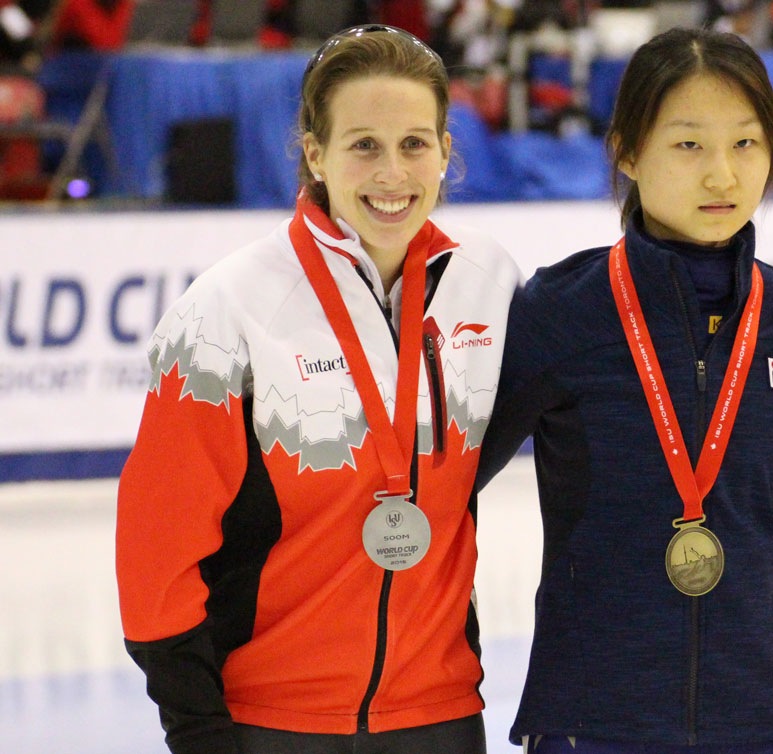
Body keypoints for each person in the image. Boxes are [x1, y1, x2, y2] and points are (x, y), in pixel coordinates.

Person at [115, 25, 519, 754]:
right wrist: (200, 731)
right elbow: (155, 556)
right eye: (363, 144)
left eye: (414, 144)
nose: (392, 173)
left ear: (446, 152)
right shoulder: (226, 309)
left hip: (442, 717)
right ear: (315, 155)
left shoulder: (490, 288)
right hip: (272, 722)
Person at [475, 26, 773, 754]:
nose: (723, 177)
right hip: (592, 723)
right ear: (628, 152)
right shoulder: (563, 311)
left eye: (746, 143)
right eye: (689, 145)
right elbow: (449, 483)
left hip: (753, 721)